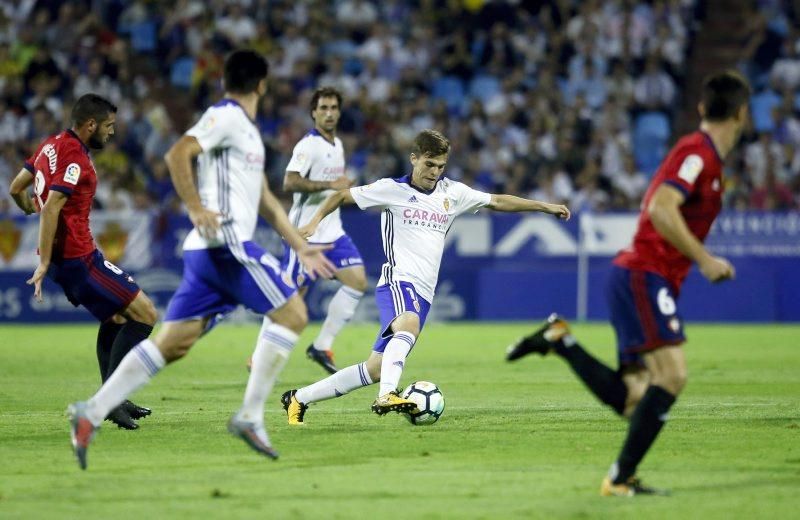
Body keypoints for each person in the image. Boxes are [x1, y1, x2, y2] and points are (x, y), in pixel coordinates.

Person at [65, 50, 335, 470]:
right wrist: (194, 207)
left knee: (172, 344)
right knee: (294, 313)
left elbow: (264, 197)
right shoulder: (226, 115)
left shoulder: (246, 131)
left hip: (210, 252)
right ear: (261, 84)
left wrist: (300, 246)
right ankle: (249, 416)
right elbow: (178, 153)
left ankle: (93, 410)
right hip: (224, 243)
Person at [505, 71, 751, 497]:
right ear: (743, 114)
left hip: (642, 277)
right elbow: (660, 207)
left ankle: (560, 340)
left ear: (700, 108)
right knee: (672, 376)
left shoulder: (703, 157)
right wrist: (705, 259)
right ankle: (619, 480)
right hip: (644, 274)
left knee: (636, 399)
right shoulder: (698, 153)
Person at [280, 129, 570, 424]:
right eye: (429, 164)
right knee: (409, 323)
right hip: (397, 280)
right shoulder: (391, 189)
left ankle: (297, 399)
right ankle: (387, 394)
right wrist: (315, 222)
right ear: (414, 159)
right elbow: (342, 195)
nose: (435, 172)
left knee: (375, 368)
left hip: (424, 292)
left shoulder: (452, 194)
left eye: (441, 166)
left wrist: (544, 207)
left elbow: (497, 201)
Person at [9, 93, 158, 430]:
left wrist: (26, 207)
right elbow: (52, 207)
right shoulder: (74, 155)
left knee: (118, 318)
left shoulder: (52, 143)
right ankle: (110, 399)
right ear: (90, 125)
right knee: (146, 314)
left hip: (75, 258)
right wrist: (44, 261)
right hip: (78, 259)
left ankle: (114, 397)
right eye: (108, 126)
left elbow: (17, 186)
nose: (111, 132)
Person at [281, 86, 366, 374]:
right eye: (323, 108)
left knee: (357, 281)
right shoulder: (308, 145)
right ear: (313, 113)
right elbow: (290, 183)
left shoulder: (337, 145)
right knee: (292, 301)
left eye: (333, 108)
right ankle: (262, 355)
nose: (329, 113)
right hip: (305, 233)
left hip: (333, 231)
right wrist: (328, 185)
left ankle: (321, 346)